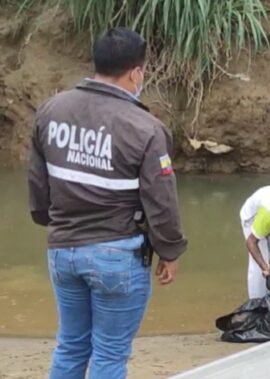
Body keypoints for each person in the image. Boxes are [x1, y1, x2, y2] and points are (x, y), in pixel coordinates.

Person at [27, 27, 187, 379]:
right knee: (110, 355)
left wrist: (52, 223)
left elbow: (39, 185)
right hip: (116, 255)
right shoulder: (146, 128)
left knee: (70, 345)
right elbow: (161, 200)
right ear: (136, 73)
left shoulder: (50, 111)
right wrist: (170, 250)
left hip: (62, 252)